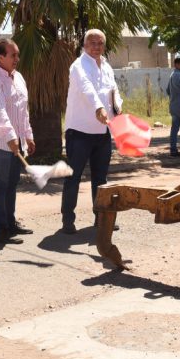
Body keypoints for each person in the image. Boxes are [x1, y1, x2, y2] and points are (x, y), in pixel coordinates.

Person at [61, 29, 122, 235]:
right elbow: (87, 88)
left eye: (100, 43)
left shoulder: (106, 66)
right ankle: (68, 220)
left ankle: (101, 218)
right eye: (92, 43)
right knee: (73, 177)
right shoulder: (78, 65)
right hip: (79, 131)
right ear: (84, 45)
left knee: (101, 179)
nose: (96, 46)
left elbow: (114, 90)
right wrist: (98, 108)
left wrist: (117, 108)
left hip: (102, 132)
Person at [0, 39, 35, 245]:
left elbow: (23, 111)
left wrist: (27, 136)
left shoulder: (18, 77)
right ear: (0, 57)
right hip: (1, 143)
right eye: (13, 55)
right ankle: (1, 229)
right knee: (1, 184)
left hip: (17, 142)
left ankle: (10, 223)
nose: (17, 59)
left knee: (12, 183)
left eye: (17, 55)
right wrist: (11, 138)